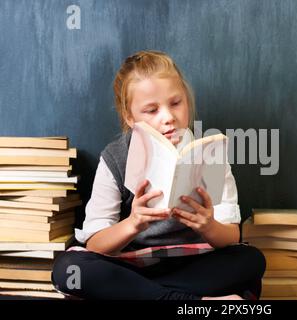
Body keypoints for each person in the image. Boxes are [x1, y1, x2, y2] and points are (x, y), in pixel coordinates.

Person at [51, 50, 266, 300]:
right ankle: (186, 302)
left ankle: (146, 296)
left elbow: (231, 234)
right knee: (69, 270)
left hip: (192, 264)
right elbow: (96, 244)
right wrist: (133, 223)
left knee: (251, 261)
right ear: (130, 117)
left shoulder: (209, 153)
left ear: (186, 99)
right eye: (151, 110)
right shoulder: (115, 158)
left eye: (176, 103)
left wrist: (209, 226)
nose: (168, 118)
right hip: (131, 266)